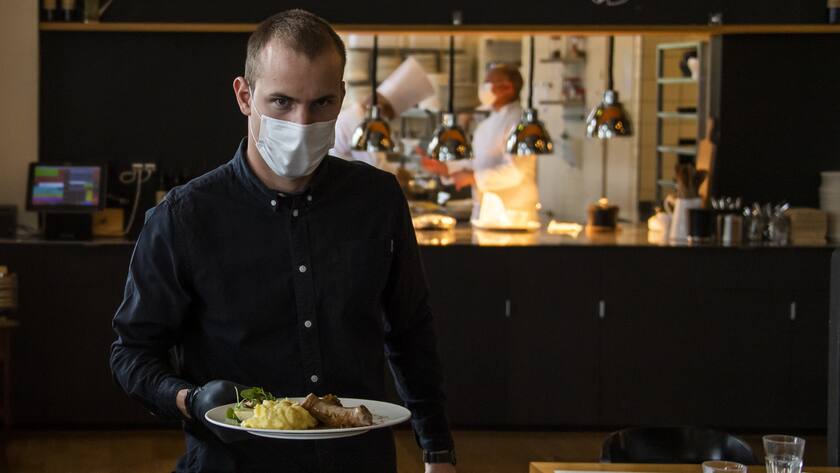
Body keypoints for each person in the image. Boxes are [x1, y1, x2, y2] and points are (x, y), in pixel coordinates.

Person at [109, 9, 456, 473]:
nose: (301, 121)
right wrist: (189, 400)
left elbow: (410, 329)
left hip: (356, 464)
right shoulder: (185, 217)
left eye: (321, 104)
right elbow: (132, 351)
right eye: (282, 102)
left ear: (342, 99)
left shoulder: (378, 201)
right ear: (244, 96)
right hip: (234, 465)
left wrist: (437, 450)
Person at [422, 64, 540, 228]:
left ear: (508, 88)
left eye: (488, 84)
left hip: (514, 217)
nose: (483, 89)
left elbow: (515, 172)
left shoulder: (519, 122)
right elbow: (478, 161)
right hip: (485, 214)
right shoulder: (489, 122)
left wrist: (474, 177)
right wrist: (447, 168)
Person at [332, 56, 436, 171]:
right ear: (380, 109)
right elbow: (375, 165)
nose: (386, 121)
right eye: (389, 116)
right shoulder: (357, 122)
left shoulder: (355, 114)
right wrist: (400, 173)